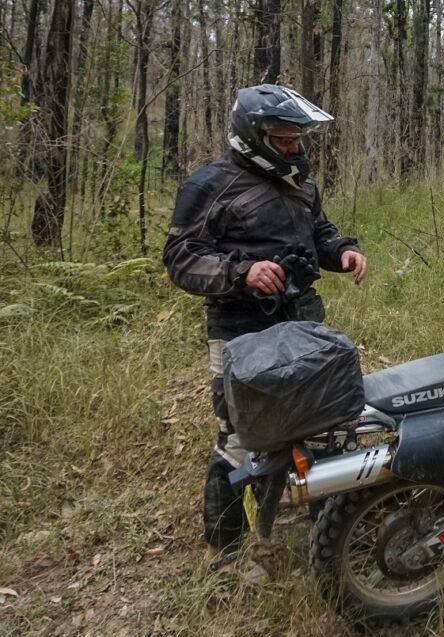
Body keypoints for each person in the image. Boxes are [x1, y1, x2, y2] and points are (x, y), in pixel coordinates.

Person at [163, 84, 368, 567]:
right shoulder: (209, 185)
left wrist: (343, 251)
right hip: (240, 327)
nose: (293, 148)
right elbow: (180, 257)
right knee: (239, 435)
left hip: (302, 319)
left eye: (297, 139)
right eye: (283, 140)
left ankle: (326, 527)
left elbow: (318, 231)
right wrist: (242, 272)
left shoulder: (299, 180)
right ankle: (225, 551)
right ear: (253, 136)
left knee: (321, 418)